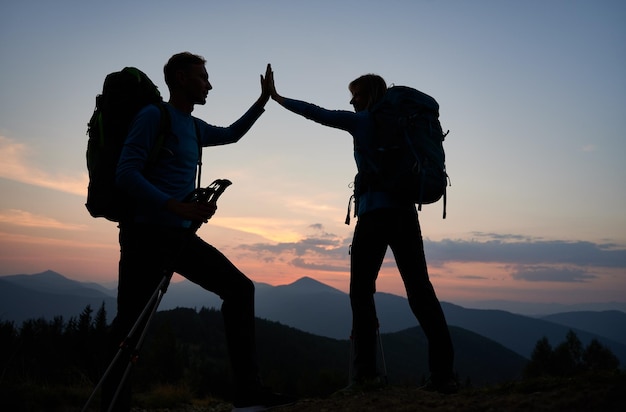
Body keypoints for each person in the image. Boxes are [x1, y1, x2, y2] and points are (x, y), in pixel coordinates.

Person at [101, 52, 294, 412]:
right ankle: (113, 404)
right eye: (202, 77)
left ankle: (248, 393)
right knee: (131, 323)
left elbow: (232, 134)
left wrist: (263, 100)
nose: (209, 84)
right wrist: (175, 205)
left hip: (177, 235)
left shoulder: (193, 126)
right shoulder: (152, 116)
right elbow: (126, 173)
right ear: (180, 78)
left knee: (239, 290)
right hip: (144, 234)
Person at [267, 66, 457, 394]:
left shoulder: (364, 122)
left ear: (367, 95)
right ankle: (444, 375)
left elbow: (319, 114)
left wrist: (279, 98)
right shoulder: (400, 125)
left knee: (361, 291)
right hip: (405, 214)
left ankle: (366, 375)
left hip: (374, 216)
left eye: (355, 95)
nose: (351, 101)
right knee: (420, 290)